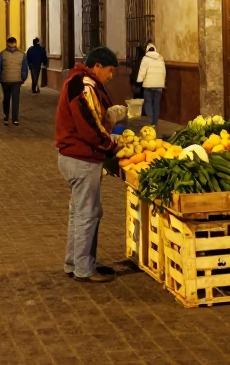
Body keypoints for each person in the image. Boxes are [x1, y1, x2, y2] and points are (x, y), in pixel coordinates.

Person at [55, 46, 128, 283]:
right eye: (109, 70)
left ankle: (74, 262)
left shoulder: (82, 82)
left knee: (79, 213)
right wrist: (111, 145)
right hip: (81, 158)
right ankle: (84, 269)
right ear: (97, 66)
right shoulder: (83, 86)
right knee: (88, 214)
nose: (111, 76)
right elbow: (89, 126)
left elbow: (96, 117)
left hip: (75, 157)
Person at [0, 36, 29, 126]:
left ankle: (6, 116)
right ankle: (15, 119)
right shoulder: (22, 54)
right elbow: (24, 68)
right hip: (17, 80)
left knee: (6, 99)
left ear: (7, 44)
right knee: (15, 99)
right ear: (15, 44)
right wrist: (23, 79)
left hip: (5, 80)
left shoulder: (2, 54)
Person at [135, 42, 166, 127]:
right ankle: (155, 122)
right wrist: (162, 82)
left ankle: (150, 120)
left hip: (148, 86)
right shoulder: (161, 58)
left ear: (147, 50)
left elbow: (142, 72)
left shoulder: (145, 59)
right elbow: (163, 72)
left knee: (148, 103)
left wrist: (139, 81)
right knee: (156, 104)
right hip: (159, 86)